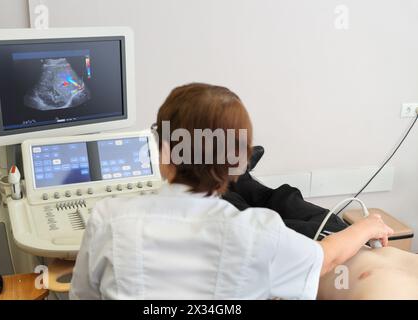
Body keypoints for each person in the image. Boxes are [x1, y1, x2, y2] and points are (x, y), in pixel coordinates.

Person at [70, 83, 393, 300]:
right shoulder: (257, 231)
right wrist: (368, 225)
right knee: (285, 200)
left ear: (164, 150)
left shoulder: (108, 219)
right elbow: (324, 257)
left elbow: (82, 296)